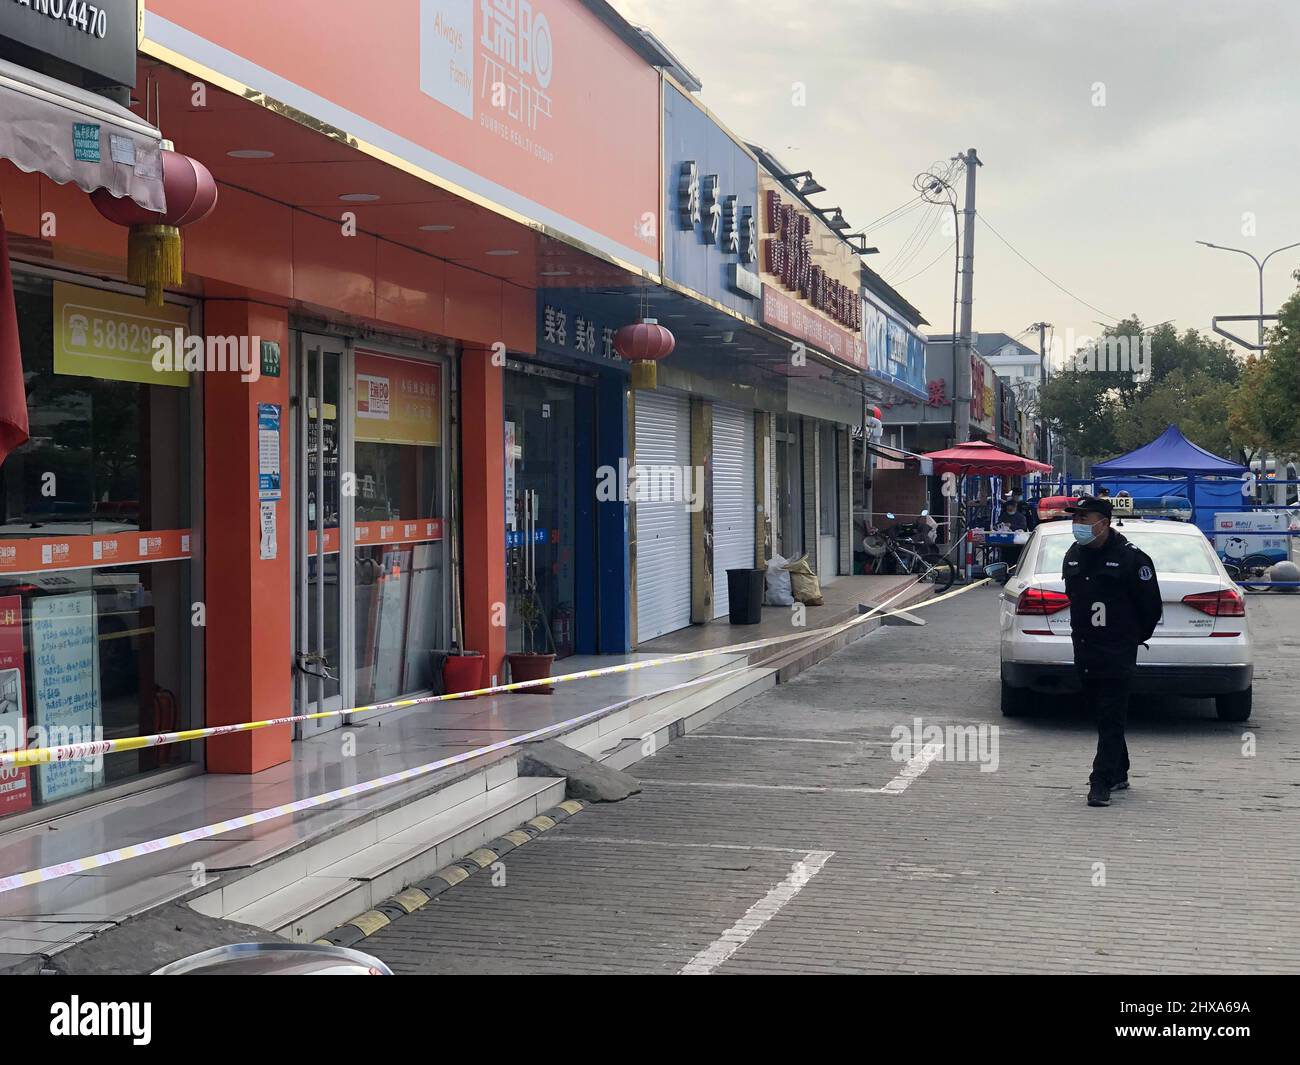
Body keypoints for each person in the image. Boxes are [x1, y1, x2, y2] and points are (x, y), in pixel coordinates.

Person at [1062, 496, 1163, 807]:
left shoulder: (1133, 559)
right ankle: (1119, 769)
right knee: (1099, 712)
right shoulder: (1074, 555)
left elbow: (1150, 608)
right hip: (1084, 647)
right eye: (1075, 518)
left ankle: (1100, 780)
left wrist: (1129, 638)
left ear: (1103, 523)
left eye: (1084, 517)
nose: (1078, 523)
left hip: (1117, 650)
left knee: (1111, 713)